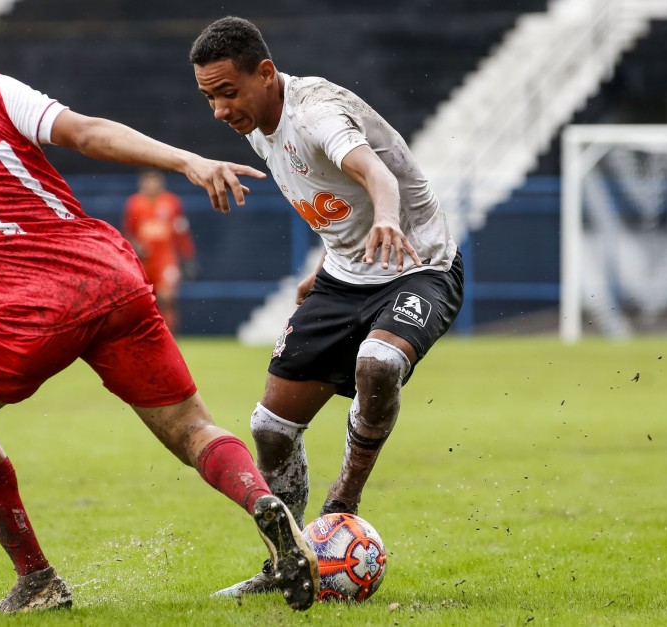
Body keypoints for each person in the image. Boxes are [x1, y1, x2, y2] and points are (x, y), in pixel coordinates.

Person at [0, 24, 319, 613]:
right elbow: (90, 134)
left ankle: (37, 580)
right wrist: (188, 161)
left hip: (31, 307)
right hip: (111, 272)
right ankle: (261, 505)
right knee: (192, 428)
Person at [189, 16, 465, 598]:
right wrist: (325, 267)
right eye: (208, 97)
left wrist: (388, 218)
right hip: (344, 279)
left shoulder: (316, 113)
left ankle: (343, 503)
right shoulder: (256, 125)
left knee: (379, 364)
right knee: (269, 430)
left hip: (417, 265)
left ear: (265, 73)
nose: (219, 110)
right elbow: (332, 200)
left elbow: (374, 175)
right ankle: (285, 561)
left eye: (227, 93)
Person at [123, 169, 198, 334]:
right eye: (148, 182)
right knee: (146, 301)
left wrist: (188, 258)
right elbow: (130, 233)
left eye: (154, 181)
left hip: (166, 259)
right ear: (142, 184)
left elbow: (181, 231)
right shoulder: (134, 203)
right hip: (144, 261)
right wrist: (135, 248)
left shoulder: (171, 202)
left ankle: (170, 337)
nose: (151, 185)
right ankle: (150, 336)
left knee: (167, 298)